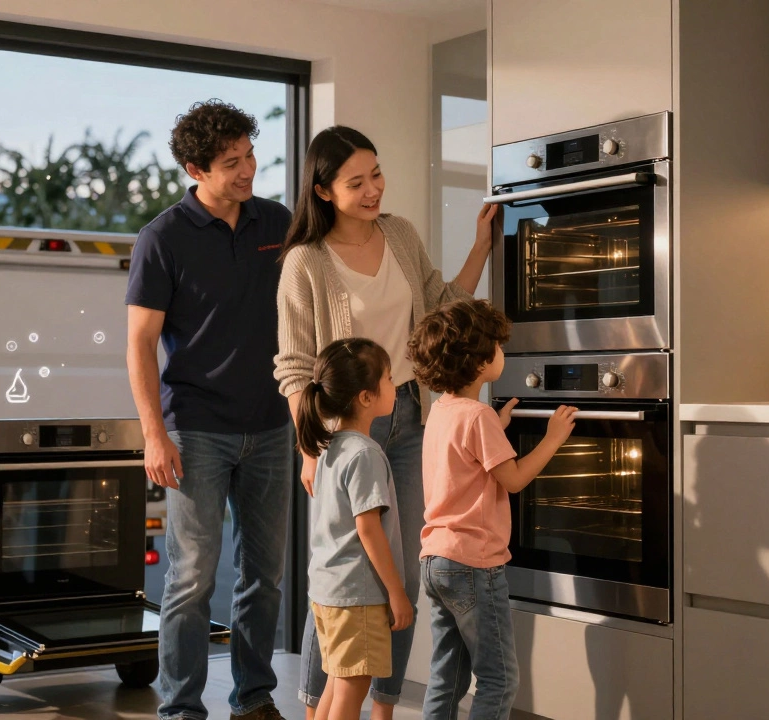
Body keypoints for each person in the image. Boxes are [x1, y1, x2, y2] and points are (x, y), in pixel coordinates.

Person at [274, 125, 500, 719]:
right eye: (357, 181)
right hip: (344, 428)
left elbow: (443, 303)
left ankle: (383, 707)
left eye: (376, 173)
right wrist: (309, 447)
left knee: (399, 575)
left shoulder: (399, 234)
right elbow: (295, 365)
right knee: (342, 578)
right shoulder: (305, 263)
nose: (373, 189)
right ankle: (315, 702)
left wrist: (482, 245)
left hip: (409, 416)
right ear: (323, 191)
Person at [125, 100, 292, 720]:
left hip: (273, 425)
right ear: (195, 169)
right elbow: (140, 343)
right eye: (232, 163)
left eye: (250, 155)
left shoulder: (276, 221)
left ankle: (253, 699)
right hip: (195, 429)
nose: (249, 170)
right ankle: (181, 709)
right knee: (192, 579)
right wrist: (153, 433)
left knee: (263, 576)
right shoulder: (162, 238)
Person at [407, 299, 577, 720]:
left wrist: (495, 428)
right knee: (500, 679)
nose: (503, 351)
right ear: (481, 360)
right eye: (499, 346)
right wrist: (553, 438)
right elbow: (514, 479)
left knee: (447, 677)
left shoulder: (444, 412)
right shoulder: (478, 416)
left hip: (436, 560)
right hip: (474, 565)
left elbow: (462, 462)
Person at [295, 338, 413, 720]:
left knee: (336, 682)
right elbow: (369, 530)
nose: (396, 386)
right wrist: (397, 593)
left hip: (329, 591)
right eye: (390, 378)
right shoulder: (365, 454)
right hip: (357, 596)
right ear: (366, 397)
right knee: (352, 688)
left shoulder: (329, 447)